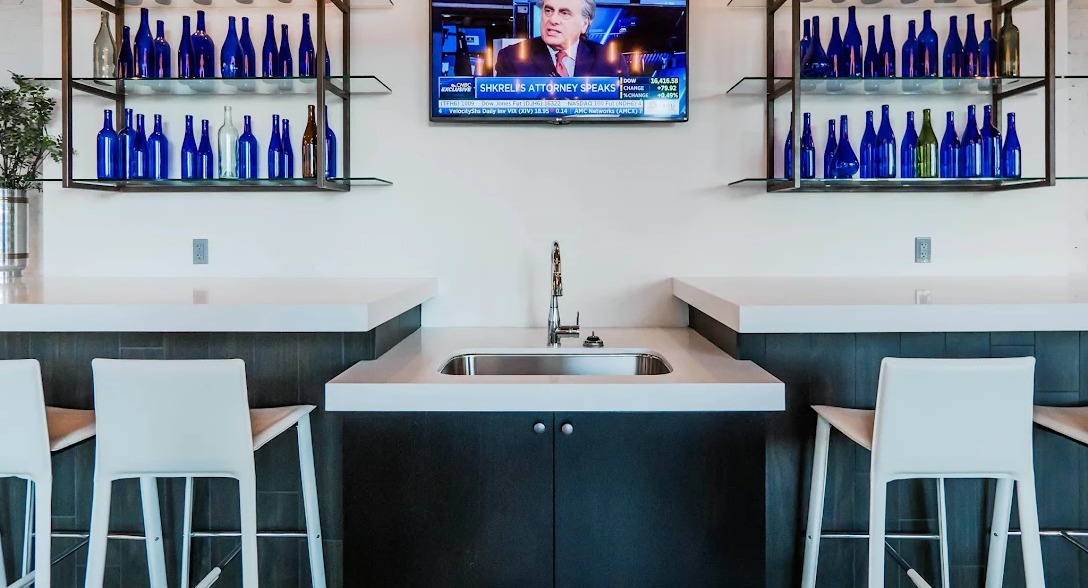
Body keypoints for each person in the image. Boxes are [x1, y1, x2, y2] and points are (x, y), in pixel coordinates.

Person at [495, 0, 629, 77]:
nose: (553, 20)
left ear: (585, 24)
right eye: (548, 11)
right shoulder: (511, 57)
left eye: (564, 13)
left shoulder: (609, 60)